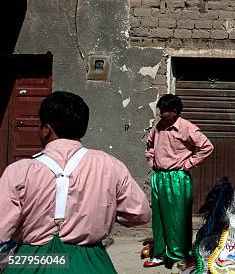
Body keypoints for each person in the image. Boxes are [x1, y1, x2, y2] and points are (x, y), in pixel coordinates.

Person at [0, 91, 151, 273]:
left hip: (30, 261)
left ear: (46, 129)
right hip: (90, 261)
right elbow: (140, 214)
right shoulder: (110, 165)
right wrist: (104, 212)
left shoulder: (19, 170)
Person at [144, 94, 214, 269]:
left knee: (177, 219)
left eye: (164, 111)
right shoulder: (158, 127)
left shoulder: (187, 128)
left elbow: (207, 147)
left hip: (177, 178)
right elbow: (150, 145)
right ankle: (160, 253)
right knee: (159, 218)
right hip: (159, 177)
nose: (160, 114)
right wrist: (152, 160)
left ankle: (179, 255)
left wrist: (188, 164)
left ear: (174, 112)